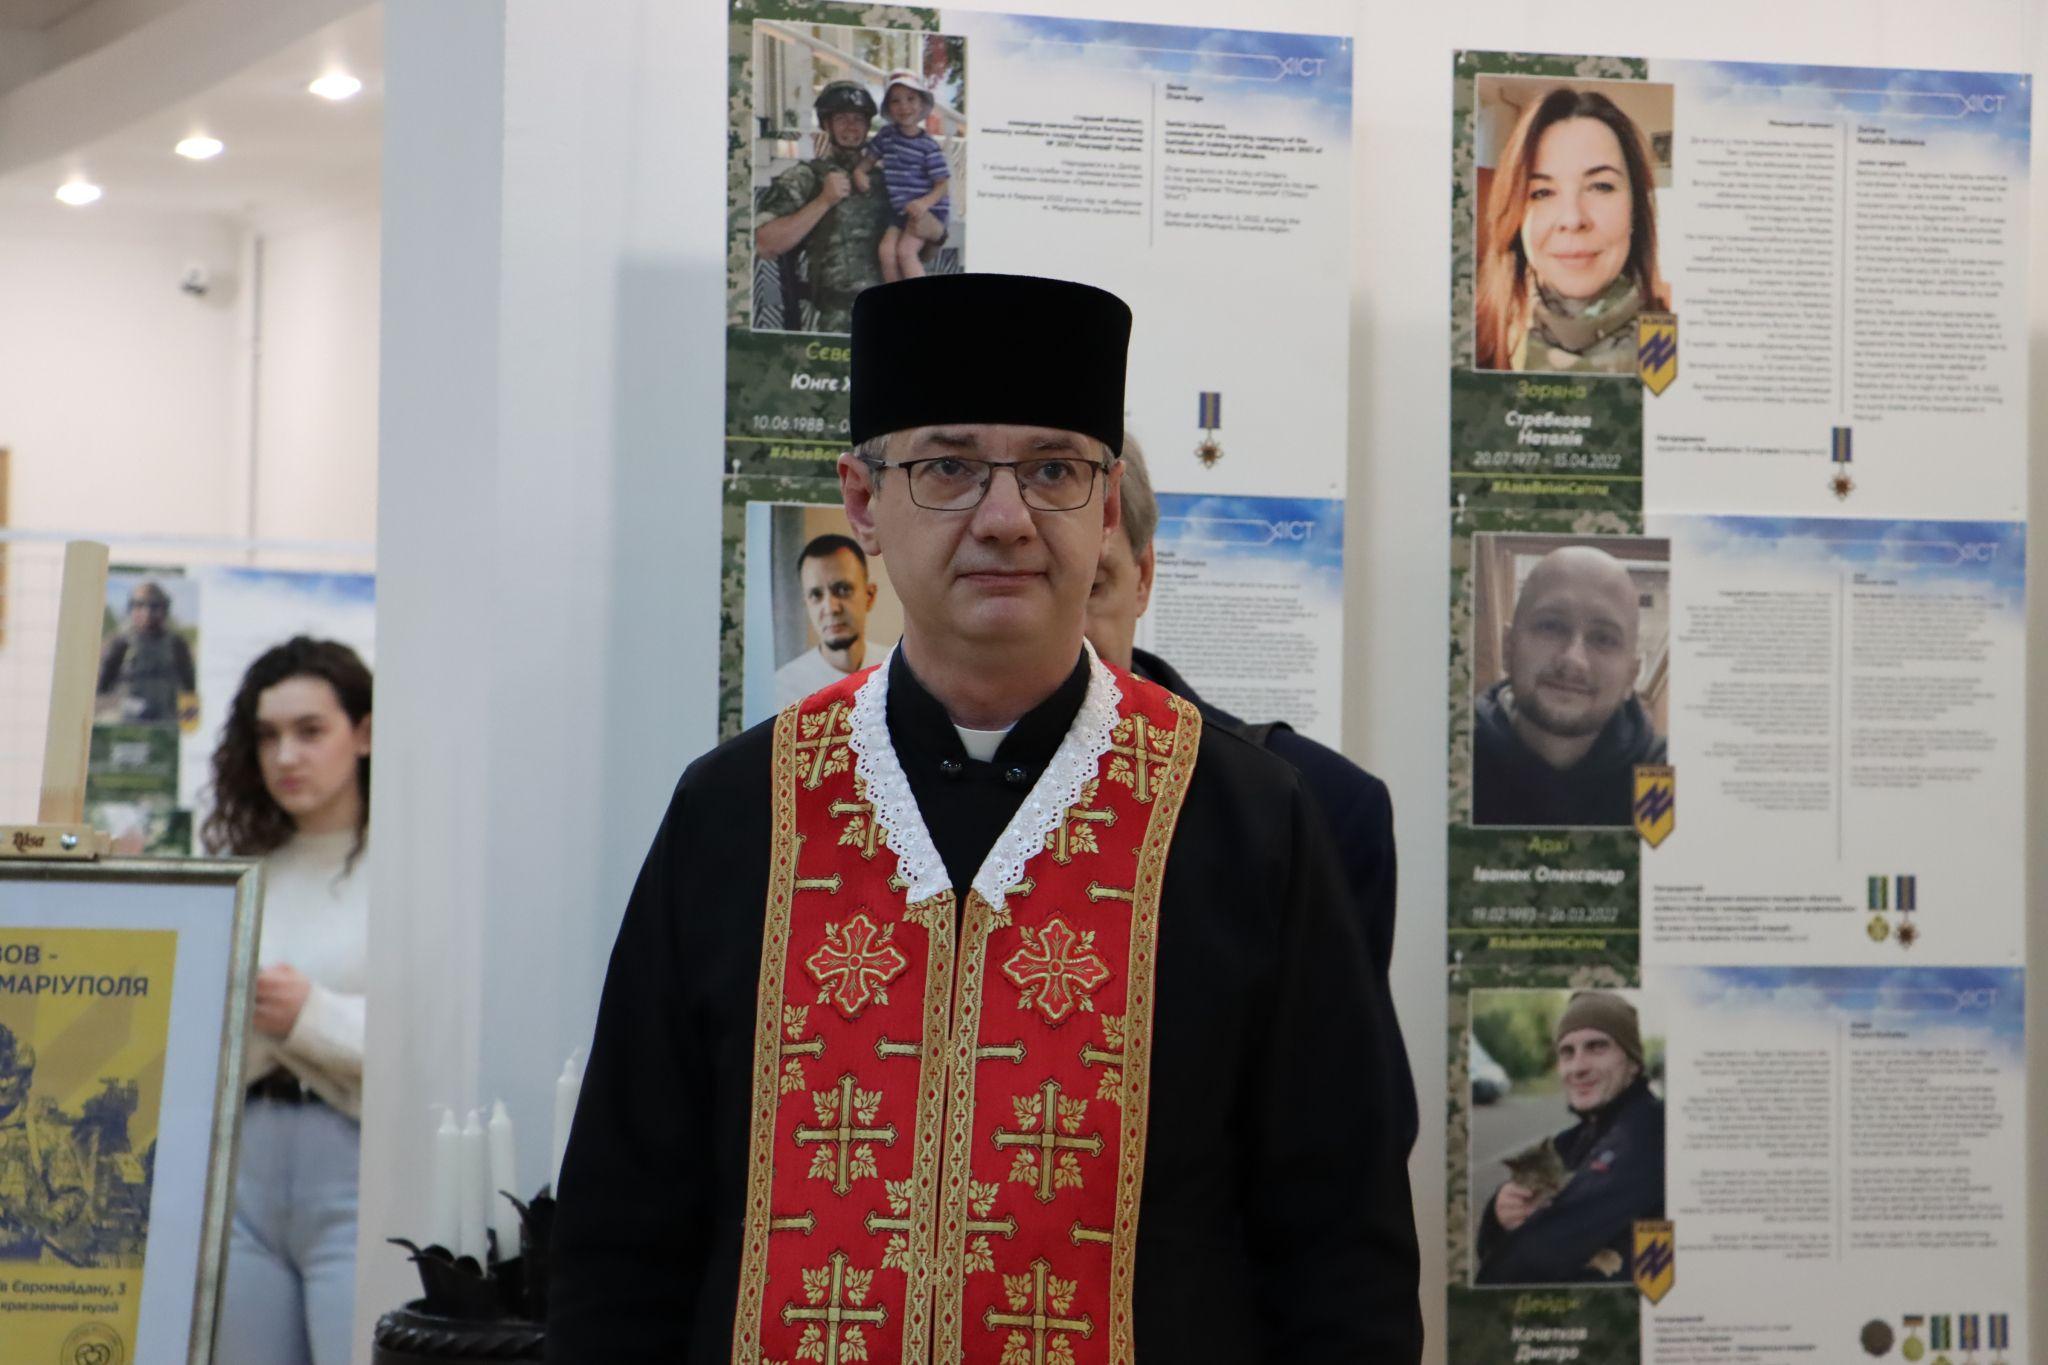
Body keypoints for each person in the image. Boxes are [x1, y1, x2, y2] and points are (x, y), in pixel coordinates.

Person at [550, 274, 1421, 1362]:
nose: (1004, 519)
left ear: (1106, 507)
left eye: (1054, 469)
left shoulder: (1243, 819)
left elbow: (1342, 1254)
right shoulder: (738, 810)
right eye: (949, 467)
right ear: (862, 502)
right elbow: (621, 1238)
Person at [1081, 433, 1416, 1156]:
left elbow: (1351, 1148)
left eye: (1091, 586)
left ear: (1143, 577)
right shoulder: (888, 803)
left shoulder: (1321, 807)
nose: (1063, 633)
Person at [204, 637, 372, 1365]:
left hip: (357, 1164)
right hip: (241, 1162)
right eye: (268, 735)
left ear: (363, 733)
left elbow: (427, 1041)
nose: (286, 756)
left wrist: (306, 1015)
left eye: (310, 730)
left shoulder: (410, 863)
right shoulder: (241, 870)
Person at [1474, 86, 1670, 373]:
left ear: (1635, 209)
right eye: (1542, 192)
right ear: (1515, 215)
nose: (1573, 218)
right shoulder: (1468, 341)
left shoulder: (1677, 347)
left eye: (1601, 186)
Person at [1476, 991, 1663, 1286]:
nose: (1578, 1067)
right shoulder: (1577, 1137)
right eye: (1567, 1052)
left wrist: (1483, 1289)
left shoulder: (1648, 1132)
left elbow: (1543, 1250)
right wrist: (1498, 1214)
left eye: (1597, 1047)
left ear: (1633, 1062)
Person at [1473, 544, 1663, 827]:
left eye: (1603, 639)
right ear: (1508, 648)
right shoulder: (1454, 762)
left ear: (1630, 677)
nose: (1573, 660)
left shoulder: (1663, 779)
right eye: (1551, 626)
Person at [754, 80, 892, 332]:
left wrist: (932, 233)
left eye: (858, 119)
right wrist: (824, 201)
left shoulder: (886, 181)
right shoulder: (807, 176)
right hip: (832, 319)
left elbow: (918, 252)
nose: (851, 126)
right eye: (841, 118)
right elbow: (765, 243)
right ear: (826, 124)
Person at [0, 1025, 89, 1263]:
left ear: (26, 1080)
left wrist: (44, 1219)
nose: (3, 1085)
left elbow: (73, 1194)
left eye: (9, 1075)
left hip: (21, 1262)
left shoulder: (44, 1135)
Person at [859, 69, 951, 282]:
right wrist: (859, 171)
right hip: (899, 210)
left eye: (911, 99)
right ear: (889, 108)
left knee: (906, 252)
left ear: (921, 105)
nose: (904, 106)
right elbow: (870, 157)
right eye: (896, 101)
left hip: (926, 211)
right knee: (886, 251)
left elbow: (942, 184)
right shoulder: (886, 136)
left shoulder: (928, 146)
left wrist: (923, 204)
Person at [775, 533, 881, 707]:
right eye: (816, 595)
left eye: (842, 589)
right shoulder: (782, 690)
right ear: (806, 604)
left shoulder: (895, 668)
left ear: (869, 596)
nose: (831, 608)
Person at [95, 578, 196, 724]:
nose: (147, 612)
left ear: (164, 609)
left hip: (166, 722)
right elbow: (101, 692)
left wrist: (189, 726)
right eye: (139, 605)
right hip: (128, 721)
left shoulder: (177, 645)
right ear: (131, 609)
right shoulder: (119, 643)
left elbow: (190, 690)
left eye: (154, 606)